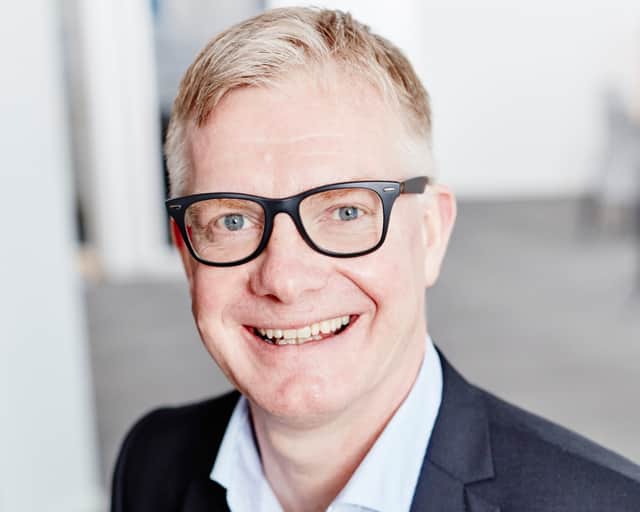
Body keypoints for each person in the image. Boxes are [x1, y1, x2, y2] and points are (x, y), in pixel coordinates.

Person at [111, 7, 640, 512]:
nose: (286, 279)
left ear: (430, 233)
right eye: (232, 221)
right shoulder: (152, 462)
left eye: (345, 212)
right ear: (187, 256)